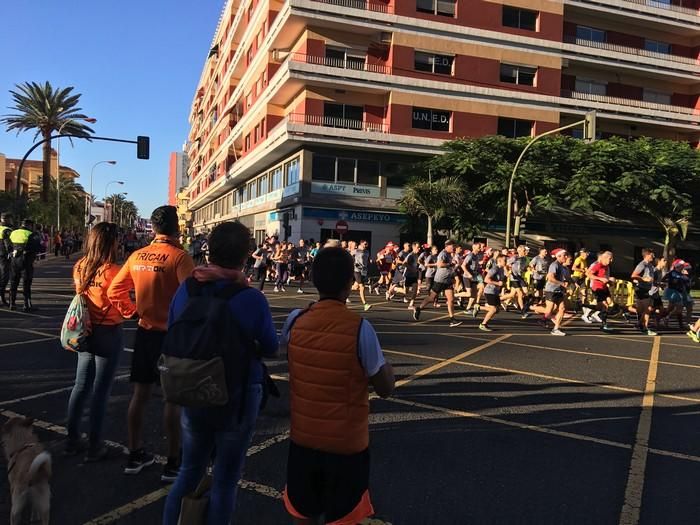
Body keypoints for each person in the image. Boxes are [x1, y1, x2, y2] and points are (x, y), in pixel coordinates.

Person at [163, 221, 278, 525]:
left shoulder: (188, 288)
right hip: (236, 395)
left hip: (192, 387)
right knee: (226, 480)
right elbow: (270, 347)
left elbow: (172, 325)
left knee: (189, 470)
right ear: (245, 256)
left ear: (209, 251)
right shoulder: (251, 298)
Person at [281, 246, 395, 525]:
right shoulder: (360, 328)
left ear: (312, 279)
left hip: (303, 439)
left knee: (303, 511)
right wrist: (386, 366)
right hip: (345, 446)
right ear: (350, 283)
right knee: (343, 517)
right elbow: (385, 387)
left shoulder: (295, 320)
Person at [108, 206, 195, 481]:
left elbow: (114, 290)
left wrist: (131, 310)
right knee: (172, 399)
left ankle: (134, 454)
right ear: (176, 227)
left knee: (140, 395)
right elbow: (190, 298)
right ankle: (172, 462)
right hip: (171, 336)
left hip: (145, 332)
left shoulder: (137, 256)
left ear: (155, 228)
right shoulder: (180, 257)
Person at [65, 222, 125, 461]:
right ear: (110, 243)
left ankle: (71, 440)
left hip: (84, 330)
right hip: (108, 331)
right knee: (101, 391)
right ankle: (95, 445)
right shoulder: (113, 271)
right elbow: (120, 303)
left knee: (80, 386)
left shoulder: (80, 266)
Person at [412, 240, 462, 327]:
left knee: (451, 300)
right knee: (431, 298)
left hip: (448, 280)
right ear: (448, 246)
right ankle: (418, 308)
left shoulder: (449, 254)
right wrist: (450, 264)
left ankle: (452, 319)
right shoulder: (443, 254)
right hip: (440, 280)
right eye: (453, 246)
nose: (454, 248)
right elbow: (439, 264)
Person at [9, 218, 42, 312]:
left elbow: (9, 246)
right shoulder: (31, 234)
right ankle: (27, 305)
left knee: (13, 282)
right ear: (29, 225)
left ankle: (12, 303)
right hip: (26, 261)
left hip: (14, 261)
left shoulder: (13, 232)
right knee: (26, 283)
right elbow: (37, 248)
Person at [542, 248, 571, 336]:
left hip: (559, 291)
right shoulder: (554, 265)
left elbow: (565, 278)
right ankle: (532, 307)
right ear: (558, 256)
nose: (566, 257)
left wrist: (566, 284)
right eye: (564, 255)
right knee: (549, 310)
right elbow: (550, 278)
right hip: (551, 290)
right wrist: (562, 283)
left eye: (566, 255)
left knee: (562, 308)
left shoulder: (562, 266)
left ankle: (556, 329)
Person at [585, 251, 615, 332]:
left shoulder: (606, 266)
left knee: (610, 304)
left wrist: (610, 281)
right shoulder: (597, 265)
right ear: (604, 258)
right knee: (605, 306)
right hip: (597, 287)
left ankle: (588, 308)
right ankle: (604, 325)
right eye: (610, 258)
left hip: (604, 287)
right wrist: (600, 279)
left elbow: (605, 277)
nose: (611, 260)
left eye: (612, 258)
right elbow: (588, 274)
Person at [631, 249, 658, 336]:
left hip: (646, 289)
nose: (653, 257)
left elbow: (650, 278)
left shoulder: (650, 265)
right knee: (648, 308)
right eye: (652, 255)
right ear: (647, 255)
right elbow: (633, 275)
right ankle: (644, 327)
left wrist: (658, 284)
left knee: (643, 309)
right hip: (641, 289)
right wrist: (643, 279)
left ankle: (640, 325)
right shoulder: (642, 264)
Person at [479, 254, 507, 332]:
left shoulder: (502, 269)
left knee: (497, 310)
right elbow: (486, 279)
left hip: (495, 292)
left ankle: (478, 307)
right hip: (489, 291)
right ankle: (483, 324)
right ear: (499, 261)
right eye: (505, 260)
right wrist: (498, 284)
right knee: (493, 309)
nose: (506, 262)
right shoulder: (495, 269)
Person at [351, 240, 373, 312]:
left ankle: (344, 289)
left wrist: (370, 261)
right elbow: (349, 256)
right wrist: (354, 263)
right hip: (357, 270)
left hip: (364, 270)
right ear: (361, 244)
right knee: (362, 287)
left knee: (355, 287)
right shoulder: (356, 251)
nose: (366, 245)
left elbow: (367, 259)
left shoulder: (367, 252)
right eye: (365, 244)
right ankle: (365, 304)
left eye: (367, 244)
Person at [0, 213, 13, 306]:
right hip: (3, 256)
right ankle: (2, 298)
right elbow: (8, 245)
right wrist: (11, 253)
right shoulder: (7, 230)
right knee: (4, 277)